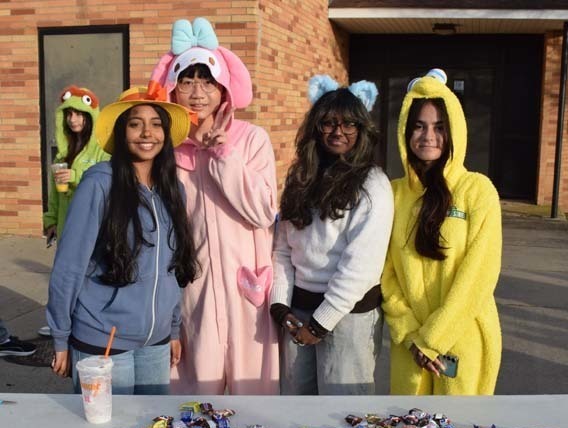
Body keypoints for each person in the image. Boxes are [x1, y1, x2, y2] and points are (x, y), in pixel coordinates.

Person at [46, 84, 198, 428]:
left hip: (154, 341)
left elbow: (174, 268)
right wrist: (60, 335)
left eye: (156, 124)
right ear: (119, 132)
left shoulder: (169, 186)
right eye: (136, 124)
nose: (147, 133)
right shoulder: (99, 182)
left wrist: (173, 327)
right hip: (100, 338)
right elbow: (69, 263)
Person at [149, 17, 279, 395]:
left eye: (207, 81)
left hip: (248, 292)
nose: (197, 92)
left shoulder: (252, 139)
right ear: (172, 90)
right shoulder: (166, 151)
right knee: (195, 397)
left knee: (255, 396)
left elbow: (262, 210)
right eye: (186, 81)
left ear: (224, 88)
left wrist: (223, 154)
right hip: (193, 291)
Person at [270, 75, 394, 395]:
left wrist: (320, 323)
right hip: (297, 317)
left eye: (349, 124)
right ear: (316, 128)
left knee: (343, 417)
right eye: (328, 123)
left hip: (346, 318)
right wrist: (280, 306)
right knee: (298, 412)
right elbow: (283, 250)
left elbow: (361, 266)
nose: (338, 132)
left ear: (361, 130)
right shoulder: (301, 177)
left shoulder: (372, 185)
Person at [381, 68, 502, 395]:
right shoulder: (393, 194)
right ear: (406, 131)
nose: (428, 136)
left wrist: (433, 338)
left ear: (455, 132)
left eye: (439, 127)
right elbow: (386, 274)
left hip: (459, 337)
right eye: (418, 126)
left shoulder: (477, 191)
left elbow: (480, 273)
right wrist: (409, 334)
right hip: (411, 347)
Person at [40, 85, 109, 337]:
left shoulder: (101, 150)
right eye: (68, 114)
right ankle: (61, 322)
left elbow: (105, 185)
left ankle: (85, 325)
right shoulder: (63, 152)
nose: (73, 119)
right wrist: (50, 220)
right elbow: (56, 192)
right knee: (63, 275)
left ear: (91, 117)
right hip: (66, 224)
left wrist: (77, 175)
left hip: (93, 226)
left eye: (79, 114)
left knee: (89, 276)